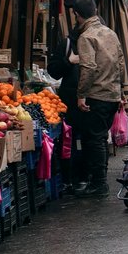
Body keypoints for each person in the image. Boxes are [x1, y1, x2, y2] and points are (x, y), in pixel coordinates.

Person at [68, 0, 124, 198]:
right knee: (100, 137)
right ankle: (99, 180)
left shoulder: (86, 37)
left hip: (97, 95)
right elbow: (121, 63)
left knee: (95, 139)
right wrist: (120, 91)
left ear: (77, 14)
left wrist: (81, 95)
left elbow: (89, 67)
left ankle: (99, 183)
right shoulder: (111, 33)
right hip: (112, 94)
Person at [47, 17, 85, 193]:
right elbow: (53, 71)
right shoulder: (68, 43)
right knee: (69, 140)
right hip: (69, 103)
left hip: (93, 101)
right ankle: (70, 178)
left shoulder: (101, 43)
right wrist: (69, 62)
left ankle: (87, 178)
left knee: (90, 141)